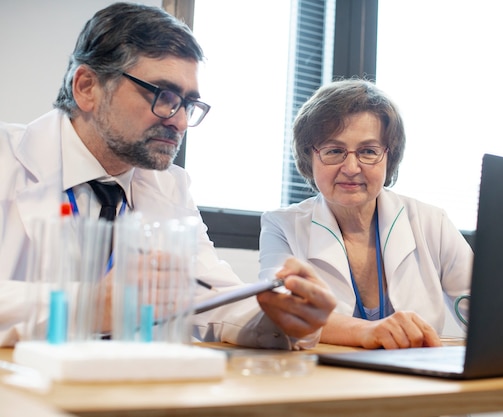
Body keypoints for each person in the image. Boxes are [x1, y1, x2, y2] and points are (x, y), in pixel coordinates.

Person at [0, 2, 335, 349]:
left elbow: (210, 297)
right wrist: (88, 306)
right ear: (87, 87)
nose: (178, 121)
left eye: (188, 103)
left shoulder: (168, 185)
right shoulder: (7, 160)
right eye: (164, 96)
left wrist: (281, 318)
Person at [259, 79, 473, 349]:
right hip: (327, 382)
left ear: (389, 157)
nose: (351, 167)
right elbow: (278, 312)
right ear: (309, 157)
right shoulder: (282, 226)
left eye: (368, 151)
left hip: (418, 382)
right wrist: (370, 331)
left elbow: (490, 312)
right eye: (334, 150)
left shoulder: (431, 223)